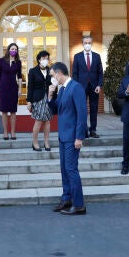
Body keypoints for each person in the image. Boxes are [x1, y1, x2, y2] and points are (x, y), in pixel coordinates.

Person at [48, 62, 87, 215]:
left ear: (59, 73)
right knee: (64, 169)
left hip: (72, 137)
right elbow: (55, 109)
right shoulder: (63, 89)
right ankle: (67, 199)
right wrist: (50, 95)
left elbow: (82, 114)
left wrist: (79, 137)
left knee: (71, 169)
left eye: (52, 75)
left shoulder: (76, 88)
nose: (52, 78)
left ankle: (79, 205)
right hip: (63, 136)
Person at [72, 35, 103, 138]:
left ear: (91, 43)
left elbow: (100, 72)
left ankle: (93, 130)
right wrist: (76, 87)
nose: (87, 45)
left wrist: (99, 85)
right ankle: (84, 130)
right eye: (85, 43)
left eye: (89, 43)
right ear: (82, 44)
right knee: (82, 109)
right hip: (81, 87)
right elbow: (75, 73)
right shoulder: (77, 56)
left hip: (94, 87)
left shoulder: (97, 56)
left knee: (94, 109)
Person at [26, 50, 53, 151]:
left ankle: (46, 142)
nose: (45, 60)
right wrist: (29, 101)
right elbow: (30, 87)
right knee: (39, 120)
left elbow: (53, 84)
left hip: (48, 98)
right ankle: (35, 142)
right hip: (37, 99)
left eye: (47, 58)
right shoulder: (33, 71)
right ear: (39, 60)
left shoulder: (51, 70)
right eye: (43, 58)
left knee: (47, 120)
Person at [0, 43, 22, 140]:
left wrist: (20, 89)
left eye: (15, 49)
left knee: (13, 111)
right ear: (8, 49)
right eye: (12, 48)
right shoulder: (2, 61)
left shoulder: (18, 62)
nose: (14, 50)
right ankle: (5, 132)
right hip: (3, 87)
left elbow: (19, 76)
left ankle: (13, 132)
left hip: (13, 88)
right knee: (4, 110)